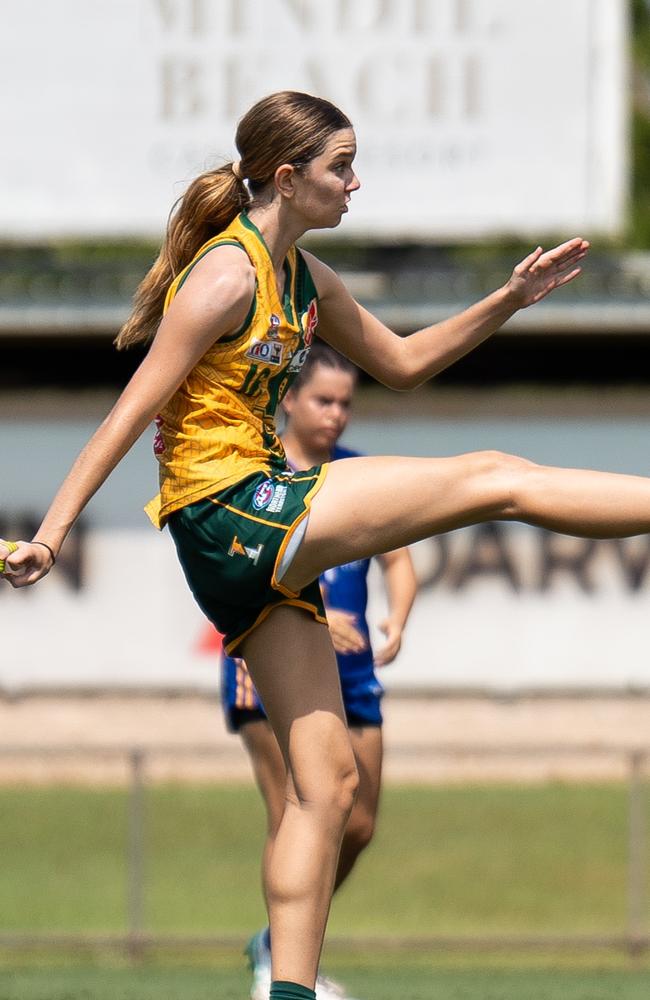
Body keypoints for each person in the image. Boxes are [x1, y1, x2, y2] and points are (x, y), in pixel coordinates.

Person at [4, 89, 650, 1000]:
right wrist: (54, 532)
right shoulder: (227, 275)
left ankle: (287, 991)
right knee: (494, 476)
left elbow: (405, 365)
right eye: (341, 166)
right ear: (287, 176)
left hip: (237, 546)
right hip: (235, 509)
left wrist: (508, 297)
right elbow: (133, 406)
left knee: (328, 788)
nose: (356, 182)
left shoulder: (306, 275)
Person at [220, 341, 417, 1000]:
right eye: (323, 400)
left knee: (357, 825)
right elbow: (238, 559)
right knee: (300, 812)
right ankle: (282, 971)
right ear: (290, 401)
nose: (336, 415)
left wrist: (399, 615)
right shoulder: (260, 473)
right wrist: (310, 613)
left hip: (353, 674)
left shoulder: (358, 474)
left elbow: (396, 557)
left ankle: (275, 940)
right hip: (271, 663)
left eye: (345, 404)